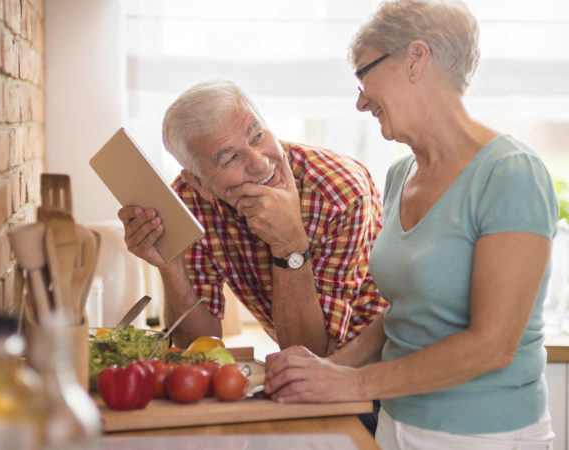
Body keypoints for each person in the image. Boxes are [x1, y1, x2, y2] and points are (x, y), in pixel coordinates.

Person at [263, 1, 559, 448]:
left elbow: (492, 344)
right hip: (397, 423)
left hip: (485, 434)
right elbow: (405, 313)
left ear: (416, 59)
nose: (360, 100)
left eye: (364, 74)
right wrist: (334, 369)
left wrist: (354, 386)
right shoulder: (401, 175)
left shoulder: (510, 173)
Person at [118, 80, 387, 357]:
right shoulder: (189, 201)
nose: (260, 163)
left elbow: (312, 353)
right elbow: (197, 346)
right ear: (199, 183)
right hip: (305, 374)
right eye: (231, 157)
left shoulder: (340, 193)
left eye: (257, 136)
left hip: (382, 362)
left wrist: (290, 244)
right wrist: (170, 264)